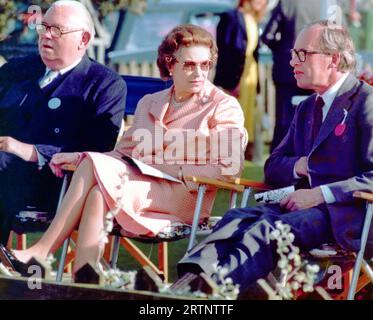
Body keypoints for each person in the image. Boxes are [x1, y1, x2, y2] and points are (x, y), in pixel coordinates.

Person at [0, 24, 246, 280]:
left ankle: (42, 251)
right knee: (96, 188)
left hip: (187, 194)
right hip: (139, 187)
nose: (199, 73)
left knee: (95, 171)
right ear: (170, 65)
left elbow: (227, 169)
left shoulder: (223, 106)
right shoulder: (150, 103)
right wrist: (78, 156)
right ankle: (85, 276)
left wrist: (172, 170)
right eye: (189, 64)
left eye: (205, 64)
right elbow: (123, 153)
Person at [178, 20, 373, 297]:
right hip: (300, 209)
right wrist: (299, 165)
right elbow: (272, 167)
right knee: (237, 219)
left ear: (333, 59)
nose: (292, 61)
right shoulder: (307, 108)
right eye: (293, 53)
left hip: (348, 216)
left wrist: (320, 194)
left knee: (267, 230)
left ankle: (211, 296)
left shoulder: (366, 102)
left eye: (302, 54)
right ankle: (181, 289)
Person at [0, 0, 126, 245]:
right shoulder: (16, 70)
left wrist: (33, 152)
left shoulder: (104, 85)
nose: (46, 35)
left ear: (84, 39)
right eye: (44, 26)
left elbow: (98, 151)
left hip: (59, 183)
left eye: (57, 30)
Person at [261, 0, 322, 152]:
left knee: (284, 120)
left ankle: (278, 162)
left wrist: (283, 50)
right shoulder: (325, 4)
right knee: (313, 118)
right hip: (317, 71)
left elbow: (268, 35)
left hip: (287, 69)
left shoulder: (287, 3)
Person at [214, 0, 267, 160]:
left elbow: (254, 55)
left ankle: (242, 157)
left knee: (248, 120)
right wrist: (231, 83)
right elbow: (226, 52)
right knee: (231, 119)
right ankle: (225, 160)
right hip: (236, 77)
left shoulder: (254, 20)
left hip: (250, 76)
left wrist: (257, 85)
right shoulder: (230, 17)